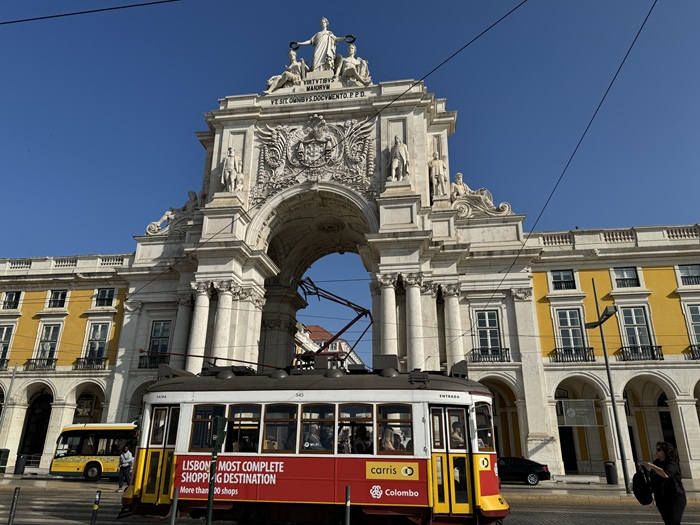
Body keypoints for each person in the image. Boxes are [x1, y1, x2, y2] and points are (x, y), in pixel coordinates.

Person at [646, 442, 686, 525]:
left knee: (673, 522)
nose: (656, 452)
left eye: (659, 450)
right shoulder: (657, 462)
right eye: (656, 449)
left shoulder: (671, 463)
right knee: (667, 521)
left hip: (674, 497)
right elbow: (653, 479)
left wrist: (653, 467)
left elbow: (665, 474)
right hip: (661, 497)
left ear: (666, 451)